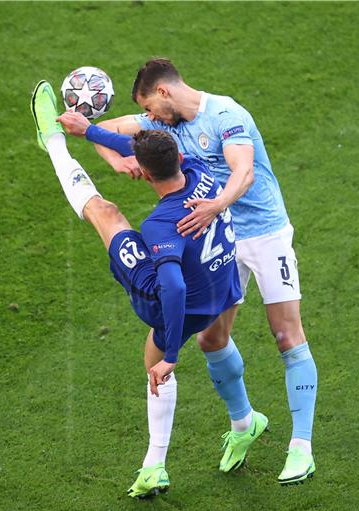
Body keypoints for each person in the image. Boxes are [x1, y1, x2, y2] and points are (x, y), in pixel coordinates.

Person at [57, 58, 318, 486]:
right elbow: (113, 134)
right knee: (212, 337)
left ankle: (301, 447)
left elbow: (244, 172)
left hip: (263, 232)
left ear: (164, 93)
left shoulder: (226, 116)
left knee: (287, 335)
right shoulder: (163, 121)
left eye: (152, 111)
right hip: (217, 235)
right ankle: (243, 424)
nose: (150, 120)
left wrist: (217, 204)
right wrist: (113, 159)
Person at [30, 80, 268, 498]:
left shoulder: (161, 225)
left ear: (141, 172)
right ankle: (244, 422)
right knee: (215, 341)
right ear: (178, 156)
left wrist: (172, 354)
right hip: (223, 286)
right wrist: (89, 131)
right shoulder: (201, 170)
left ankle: (52, 142)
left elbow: (172, 287)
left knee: (105, 213)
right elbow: (146, 150)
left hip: (177, 302)